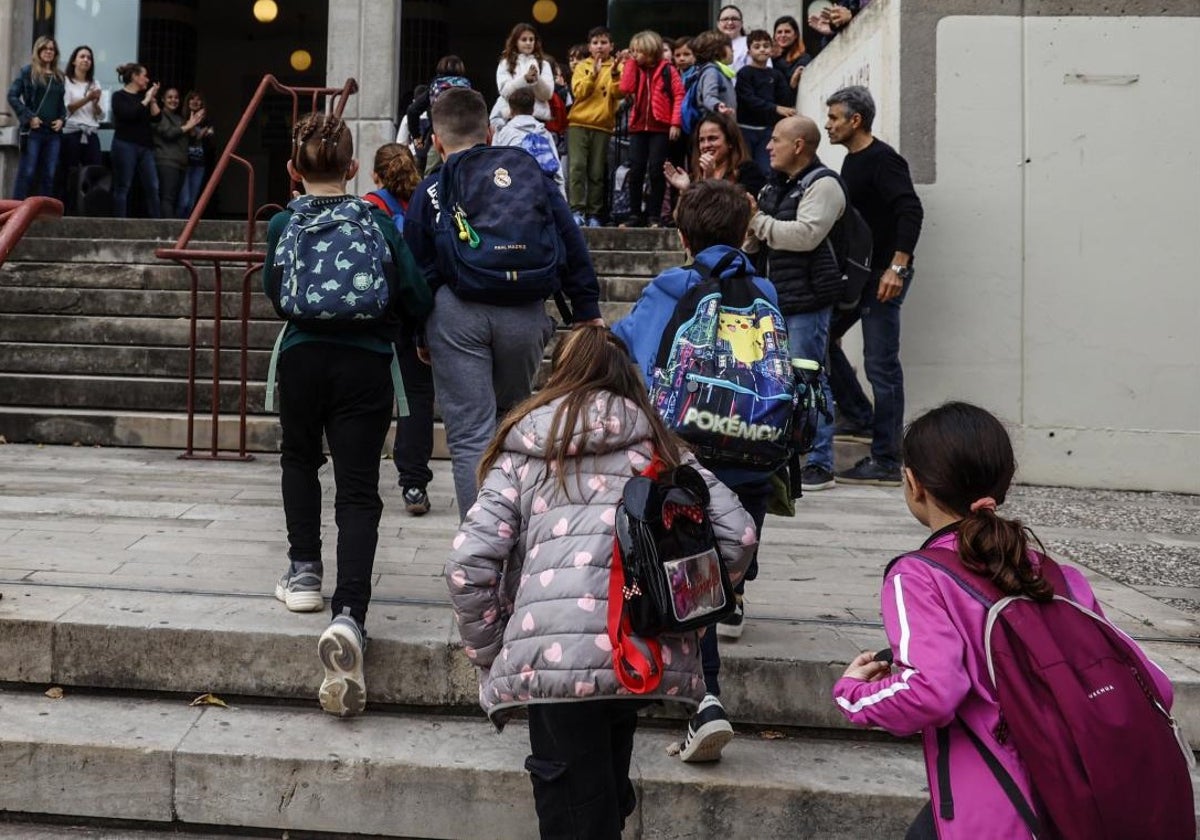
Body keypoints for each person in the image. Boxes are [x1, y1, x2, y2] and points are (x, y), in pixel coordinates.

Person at [447, 324, 756, 837]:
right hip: (635, 653)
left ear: (557, 375)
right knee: (604, 799)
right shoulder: (662, 450)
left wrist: (492, 646)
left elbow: (468, 564)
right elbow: (739, 536)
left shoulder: (525, 451)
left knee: (573, 811)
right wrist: (684, 616)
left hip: (555, 665)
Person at [832, 401, 1177, 839]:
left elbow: (933, 690)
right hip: (1085, 803)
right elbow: (1155, 684)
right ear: (1004, 479)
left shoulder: (917, 576)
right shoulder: (1056, 575)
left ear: (914, 483)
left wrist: (853, 693)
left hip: (997, 812)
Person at [265, 112, 432, 716]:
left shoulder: (283, 221)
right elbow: (413, 290)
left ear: (292, 169)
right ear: (355, 169)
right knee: (359, 490)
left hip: (303, 356)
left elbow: (274, 287)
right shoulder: (377, 220)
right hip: (366, 363)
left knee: (299, 459)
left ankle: (304, 572)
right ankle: (350, 613)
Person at [613, 178, 776, 763]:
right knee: (719, 572)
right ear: (742, 232)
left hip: (689, 459)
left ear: (682, 235)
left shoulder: (673, 285)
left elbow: (630, 341)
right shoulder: (764, 289)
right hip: (754, 457)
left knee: (690, 575)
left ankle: (705, 700)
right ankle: (723, 620)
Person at [403, 88, 604, 519]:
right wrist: (586, 309)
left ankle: (480, 548)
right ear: (491, 133)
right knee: (513, 423)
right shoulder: (530, 176)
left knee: (471, 434)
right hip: (526, 311)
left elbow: (416, 270)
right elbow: (570, 240)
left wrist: (419, 330)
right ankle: (518, 542)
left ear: (437, 141)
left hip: (457, 314)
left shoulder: (432, 189)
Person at [822, 85, 924, 486]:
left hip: (886, 276)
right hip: (862, 277)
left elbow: (910, 210)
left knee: (881, 365)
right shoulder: (852, 162)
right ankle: (859, 417)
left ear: (855, 120)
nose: (828, 125)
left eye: (833, 118)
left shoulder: (884, 160)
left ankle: (887, 457)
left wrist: (896, 268)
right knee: (821, 340)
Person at [743, 116, 844, 492]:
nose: (769, 147)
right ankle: (784, 453)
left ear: (799, 145)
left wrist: (757, 220)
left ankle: (821, 461)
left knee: (810, 377)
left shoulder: (824, 185)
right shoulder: (777, 185)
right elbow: (759, 235)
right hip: (776, 296)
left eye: (776, 140)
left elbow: (805, 236)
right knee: (777, 377)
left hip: (808, 299)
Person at [362, 143, 435, 517]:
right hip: (413, 313)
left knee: (370, 397)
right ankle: (414, 483)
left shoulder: (369, 207)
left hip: (375, 316)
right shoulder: (423, 203)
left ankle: (360, 477)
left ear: (376, 174)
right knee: (417, 399)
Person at [617, 30, 683, 228]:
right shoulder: (635, 67)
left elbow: (679, 94)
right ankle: (634, 214)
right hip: (638, 126)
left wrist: (675, 123)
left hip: (660, 127)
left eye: (638, 51)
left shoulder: (667, 70)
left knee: (656, 170)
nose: (635, 54)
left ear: (650, 51)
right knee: (636, 170)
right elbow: (625, 88)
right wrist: (629, 62)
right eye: (633, 50)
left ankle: (654, 215)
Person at [567, 25, 622, 227]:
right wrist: (593, 74)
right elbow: (579, 92)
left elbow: (620, 93)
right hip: (578, 123)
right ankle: (577, 210)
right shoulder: (582, 66)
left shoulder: (617, 66)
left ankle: (594, 214)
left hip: (603, 125)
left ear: (611, 46)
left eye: (604, 42)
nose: (600, 46)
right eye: (595, 43)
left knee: (597, 172)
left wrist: (615, 73)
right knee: (577, 167)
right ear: (589, 46)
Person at [8, 36, 66, 200]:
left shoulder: (59, 76)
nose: (48, 52)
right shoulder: (28, 72)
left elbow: (61, 104)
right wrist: (29, 117)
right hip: (34, 131)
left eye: (52, 49)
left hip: (53, 132)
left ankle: (43, 213)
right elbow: (12, 96)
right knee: (28, 172)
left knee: (49, 173)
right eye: (45, 48)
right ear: (38, 51)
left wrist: (62, 119)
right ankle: (16, 210)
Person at [664, 111, 765, 198]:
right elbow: (684, 218)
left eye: (712, 138)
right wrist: (685, 191)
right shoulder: (695, 175)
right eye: (701, 140)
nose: (706, 145)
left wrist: (710, 182)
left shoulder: (749, 171)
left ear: (730, 141)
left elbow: (736, 212)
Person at [735, 29, 795, 175]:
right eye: (757, 46)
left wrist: (793, 84)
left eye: (766, 45)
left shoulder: (776, 74)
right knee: (745, 168)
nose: (762, 49)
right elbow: (748, 99)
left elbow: (785, 100)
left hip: (767, 131)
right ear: (749, 51)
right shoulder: (744, 73)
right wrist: (775, 108)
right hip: (745, 129)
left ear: (772, 49)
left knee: (766, 169)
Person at [109, 63, 161, 218]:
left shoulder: (144, 97)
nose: (147, 79)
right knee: (123, 186)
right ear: (134, 77)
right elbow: (129, 114)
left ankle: (157, 223)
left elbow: (157, 117)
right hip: (124, 144)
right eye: (144, 75)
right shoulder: (119, 96)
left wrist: (152, 100)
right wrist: (145, 100)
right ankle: (120, 223)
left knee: (153, 185)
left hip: (145, 146)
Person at [493, 87, 565, 197]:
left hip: (513, 196)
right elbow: (557, 172)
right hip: (542, 196)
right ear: (533, 110)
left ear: (511, 111)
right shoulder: (544, 133)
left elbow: (495, 167)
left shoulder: (504, 134)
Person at [59, 45, 104, 213]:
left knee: (94, 171)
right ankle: (69, 209)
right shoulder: (66, 82)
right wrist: (88, 98)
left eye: (89, 58)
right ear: (74, 61)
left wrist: (95, 103)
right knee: (71, 172)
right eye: (82, 56)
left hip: (91, 132)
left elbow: (100, 115)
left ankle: (91, 209)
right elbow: (67, 108)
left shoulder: (95, 83)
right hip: (72, 133)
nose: (86, 60)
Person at [154, 88, 205, 218]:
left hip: (180, 163)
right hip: (166, 161)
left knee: (178, 200)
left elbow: (190, 138)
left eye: (176, 97)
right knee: (168, 198)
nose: (173, 100)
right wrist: (188, 126)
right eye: (170, 97)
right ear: (163, 100)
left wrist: (193, 124)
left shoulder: (179, 118)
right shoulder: (160, 115)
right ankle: (169, 231)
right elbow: (168, 133)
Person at [494, 23, 554, 125]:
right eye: (524, 39)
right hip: (511, 119)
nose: (528, 43)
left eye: (531, 39)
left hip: (538, 119)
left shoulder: (544, 64)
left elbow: (547, 95)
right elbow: (504, 92)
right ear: (515, 42)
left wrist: (536, 80)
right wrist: (524, 80)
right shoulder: (505, 63)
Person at [177, 90, 214, 218]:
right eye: (192, 99)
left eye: (199, 99)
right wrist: (195, 130)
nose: (195, 102)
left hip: (199, 165)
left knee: (192, 202)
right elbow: (188, 136)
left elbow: (210, 142)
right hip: (184, 164)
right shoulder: (181, 120)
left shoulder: (207, 123)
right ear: (187, 103)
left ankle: (186, 228)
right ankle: (178, 225)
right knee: (184, 201)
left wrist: (204, 134)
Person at [689, 30, 738, 120]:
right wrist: (717, 105)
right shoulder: (711, 71)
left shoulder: (721, 71)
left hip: (725, 124)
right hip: (715, 124)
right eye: (729, 47)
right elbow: (708, 96)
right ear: (716, 50)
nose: (733, 50)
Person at [771, 16, 809, 90]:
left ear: (795, 35)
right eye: (779, 32)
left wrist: (777, 59)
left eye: (787, 32)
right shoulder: (768, 58)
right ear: (775, 36)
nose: (783, 35)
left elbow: (788, 79)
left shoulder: (804, 58)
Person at [716, 4, 750, 70]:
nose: (730, 23)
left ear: (741, 23)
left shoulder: (750, 42)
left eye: (734, 19)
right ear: (718, 24)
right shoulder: (712, 44)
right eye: (725, 19)